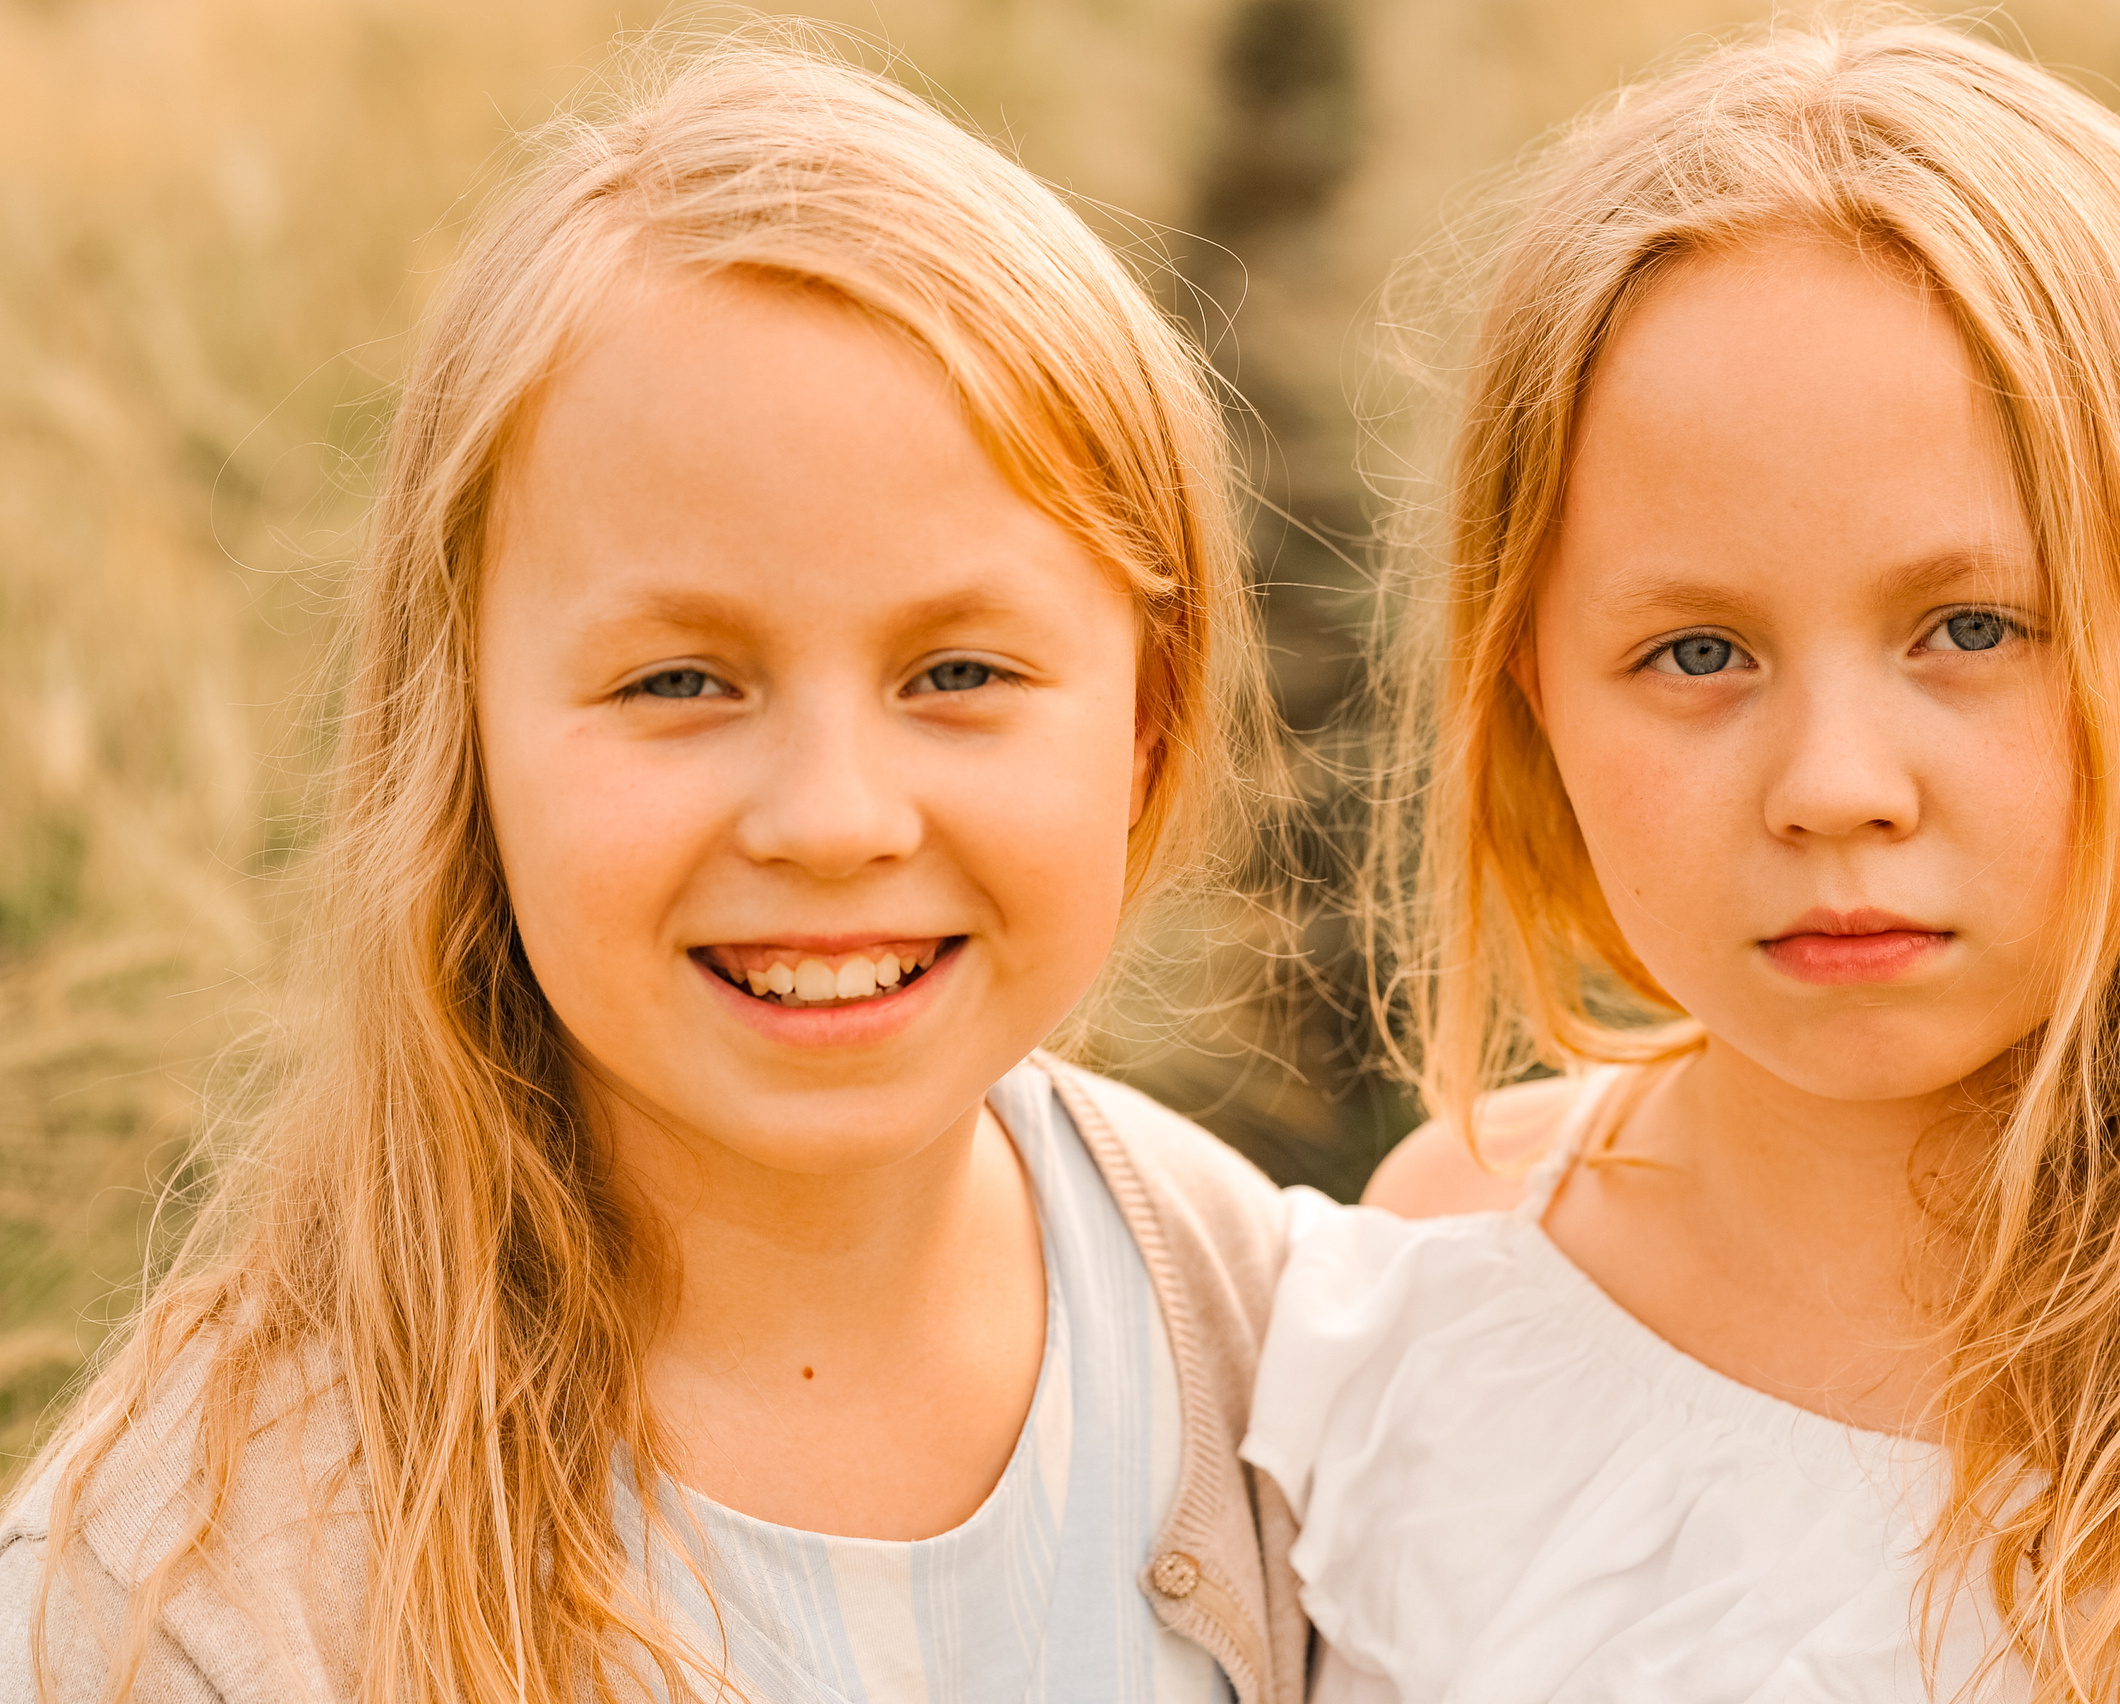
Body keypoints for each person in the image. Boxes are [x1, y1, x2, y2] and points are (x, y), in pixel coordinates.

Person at [1245, 20, 2120, 1703]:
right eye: (1698, 653)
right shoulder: (1450, 1265)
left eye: (1972, 628)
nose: (1836, 790)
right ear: (1531, 692)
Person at [2, 31, 1305, 1704]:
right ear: (459, 736)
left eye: (958, 672)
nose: (831, 819)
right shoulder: (183, 1590)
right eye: (679, 681)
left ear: (1144, 725)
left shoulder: (1260, 1332)